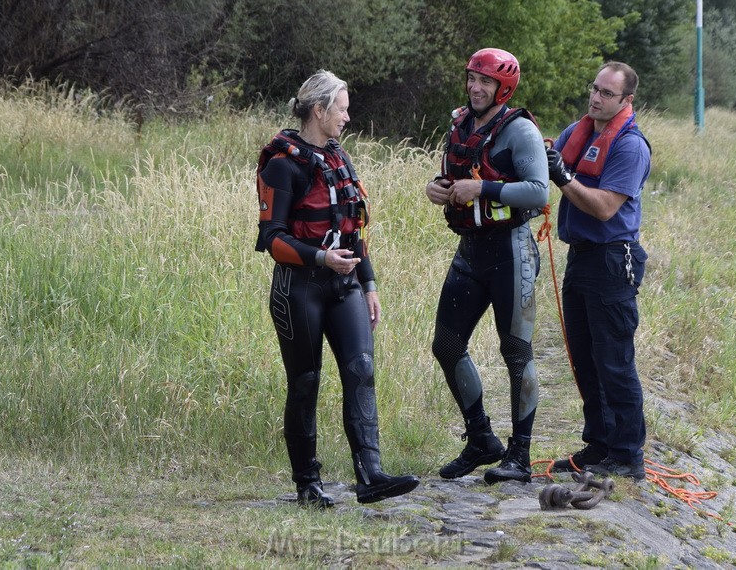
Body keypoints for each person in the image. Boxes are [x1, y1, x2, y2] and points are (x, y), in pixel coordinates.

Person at [256, 70, 420, 507]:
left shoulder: (338, 158)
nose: (348, 117)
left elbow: (354, 226)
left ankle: (371, 475)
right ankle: (308, 485)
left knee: (361, 369)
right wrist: (319, 257)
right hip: (299, 289)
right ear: (319, 109)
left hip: (344, 285)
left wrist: (369, 283)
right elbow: (272, 238)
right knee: (306, 383)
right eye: (342, 109)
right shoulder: (281, 163)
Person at [425, 48, 550, 484]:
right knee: (446, 344)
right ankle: (481, 439)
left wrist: (483, 187)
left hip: (511, 251)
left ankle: (520, 455)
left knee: (516, 352)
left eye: (485, 82)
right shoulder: (460, 122)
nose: (476, 88)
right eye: (472, 79)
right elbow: (450, 175)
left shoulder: (520, 131)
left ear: (504, 88)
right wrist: (436, 189)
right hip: (470, 252)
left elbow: (538, 193)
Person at [545, 61, 651, 481]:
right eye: (595, 89)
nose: (596, 98)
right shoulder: (578, 131)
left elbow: (605, 207)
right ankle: (599, 445)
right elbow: (549, 167)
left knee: (615, 361)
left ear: (626, 100)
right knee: (584, 358)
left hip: (612, 259)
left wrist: (562, 176)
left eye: (607, 94)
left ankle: (628, 455)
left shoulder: (630, 146)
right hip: (581, 257)